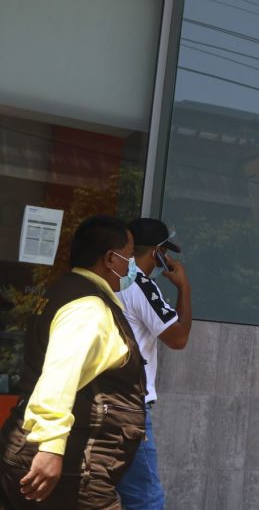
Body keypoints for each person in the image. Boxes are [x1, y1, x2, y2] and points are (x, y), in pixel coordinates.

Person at [0, 215, 146, 508]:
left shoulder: (65, 291)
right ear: (110, 259)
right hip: (72, 466)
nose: (132, 266)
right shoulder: (88, 307)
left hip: (55, 456)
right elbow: (60, 374)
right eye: (129, 257)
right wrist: (51, 447)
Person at [115, 218, 192, 510]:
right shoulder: (140, 285)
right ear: (158, 253)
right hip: (130, 405)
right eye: (165, 252)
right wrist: (184, 287)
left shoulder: (110, 280)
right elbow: (178, 338)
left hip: (104, 400)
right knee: (146, 499)